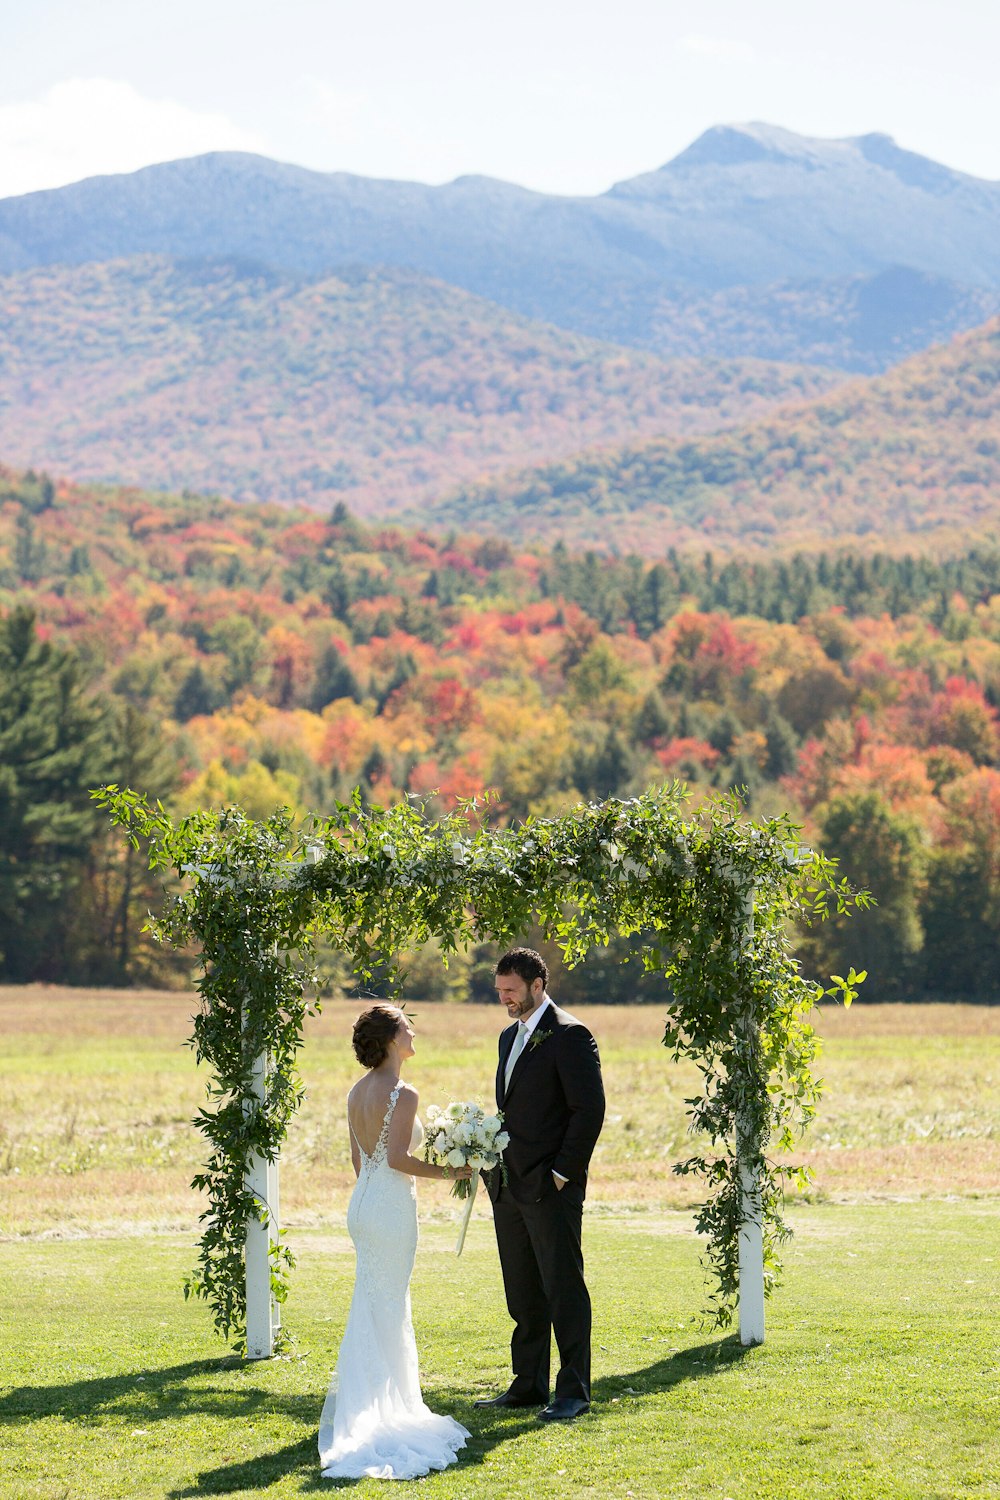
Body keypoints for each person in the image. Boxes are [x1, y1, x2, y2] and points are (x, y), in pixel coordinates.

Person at [318, 1002, 472, 1481]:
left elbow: (361, 1164)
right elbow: (401, 1159)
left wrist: (377, 1195)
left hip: (362, 1206)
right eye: (407, 1028)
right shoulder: (403, 1094)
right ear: (389, 1040)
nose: (413, 1034)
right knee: (388, 1306)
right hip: (390, 1210)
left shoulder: (355, 1092)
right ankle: (387, 1414)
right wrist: (452, 1170)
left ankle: (371, 1407)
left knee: (374, 1303)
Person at [476, 948, 606, 1423]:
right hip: (508, 1186)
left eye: (511, 990)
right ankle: (528, 1384)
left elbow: (588, 1111)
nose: (504, 999)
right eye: (499, 992)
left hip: (552, 1187)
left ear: (537, 985)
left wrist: (561, 1173)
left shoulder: (571, 1034)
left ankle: (573, 1391)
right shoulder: (508, 1036)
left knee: (563, 1288)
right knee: (523, 1291)